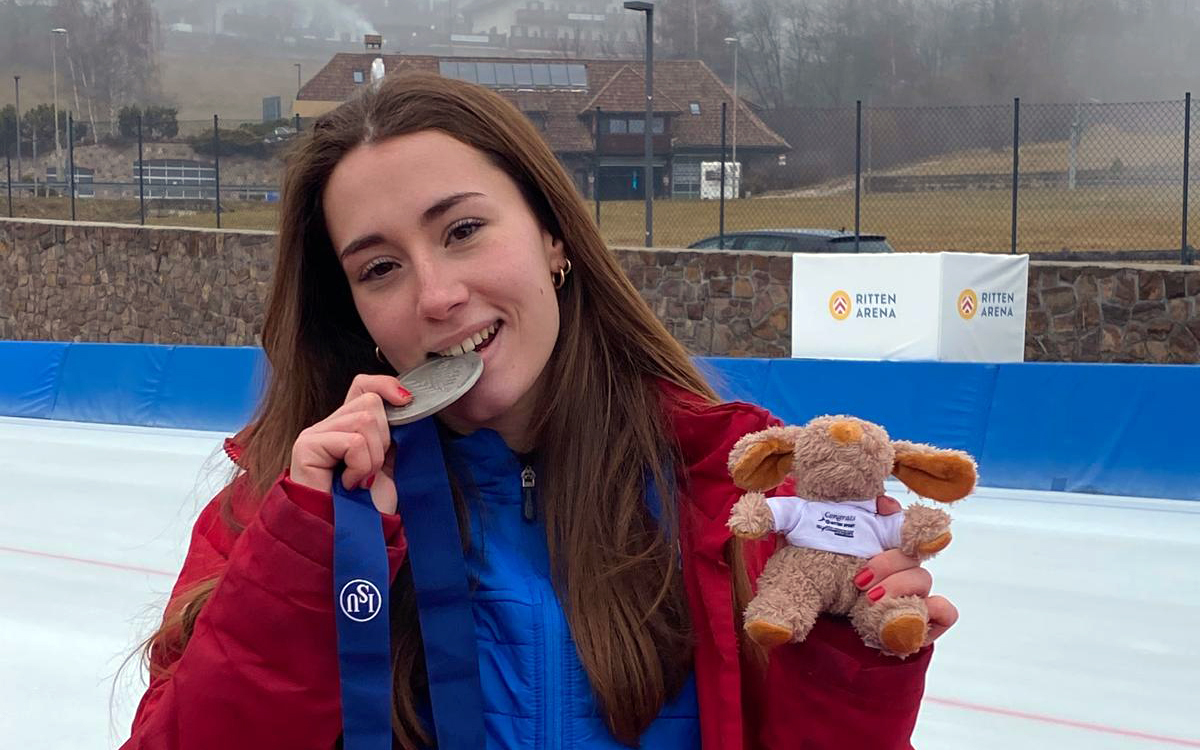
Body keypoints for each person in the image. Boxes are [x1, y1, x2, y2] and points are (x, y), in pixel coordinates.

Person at [121, 73, 957, 750]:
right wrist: (306, 564)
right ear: (355, 316)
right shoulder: (288, 514)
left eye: (463, 230)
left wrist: (851, 671)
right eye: (380, 269)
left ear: (554, 238)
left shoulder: (734, 492)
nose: (438, 297)